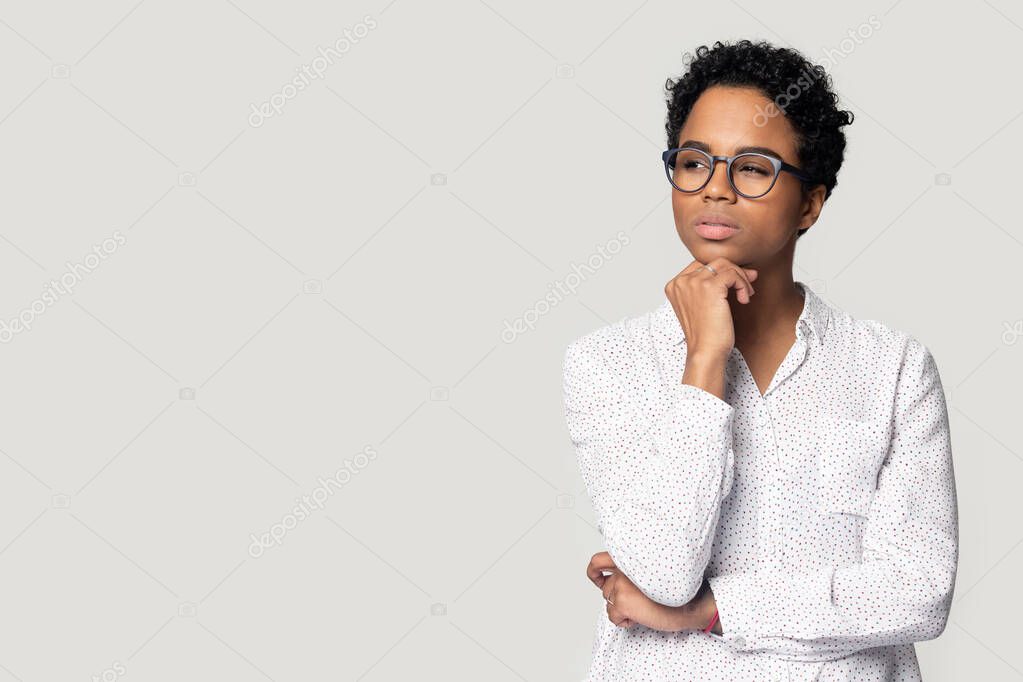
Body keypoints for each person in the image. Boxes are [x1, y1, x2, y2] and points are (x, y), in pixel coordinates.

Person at [562, 39, 957, 681]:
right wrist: (705, 360)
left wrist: (715, 611)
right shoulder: (608, 364)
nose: (715, 189)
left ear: (810, 202)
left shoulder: (892, 368)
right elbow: (663, 573)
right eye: (694, 163)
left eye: (753, 168)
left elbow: (918, 593)